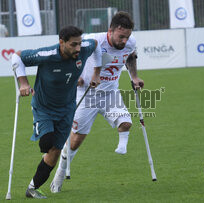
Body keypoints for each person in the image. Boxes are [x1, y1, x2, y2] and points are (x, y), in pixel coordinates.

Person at [50, 11, 144, 193]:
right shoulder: (92, 40)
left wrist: (134, 77)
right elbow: (68, 53)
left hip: (110, 94)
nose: (124, 41)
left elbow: (130, 56)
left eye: (127, 36)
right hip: (86, 93)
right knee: (76, 140)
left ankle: (121, 147)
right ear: (110, 31)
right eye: (121, 36)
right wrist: (74, 76)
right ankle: (60, 173)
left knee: (125, 123)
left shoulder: (130, 43)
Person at [11, 25, 102, 199]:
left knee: (55, 152)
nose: (78, 48)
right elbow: (17, 56)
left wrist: (97, 73)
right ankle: (43, 136)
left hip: (67, 109)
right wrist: (23, 82)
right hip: (43, 107)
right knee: (46, 143)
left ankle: (32, 188)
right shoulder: (47, 54)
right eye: (73, 45)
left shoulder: (84, 48)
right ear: (61, 42)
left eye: (79, 44)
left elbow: (96, 44)